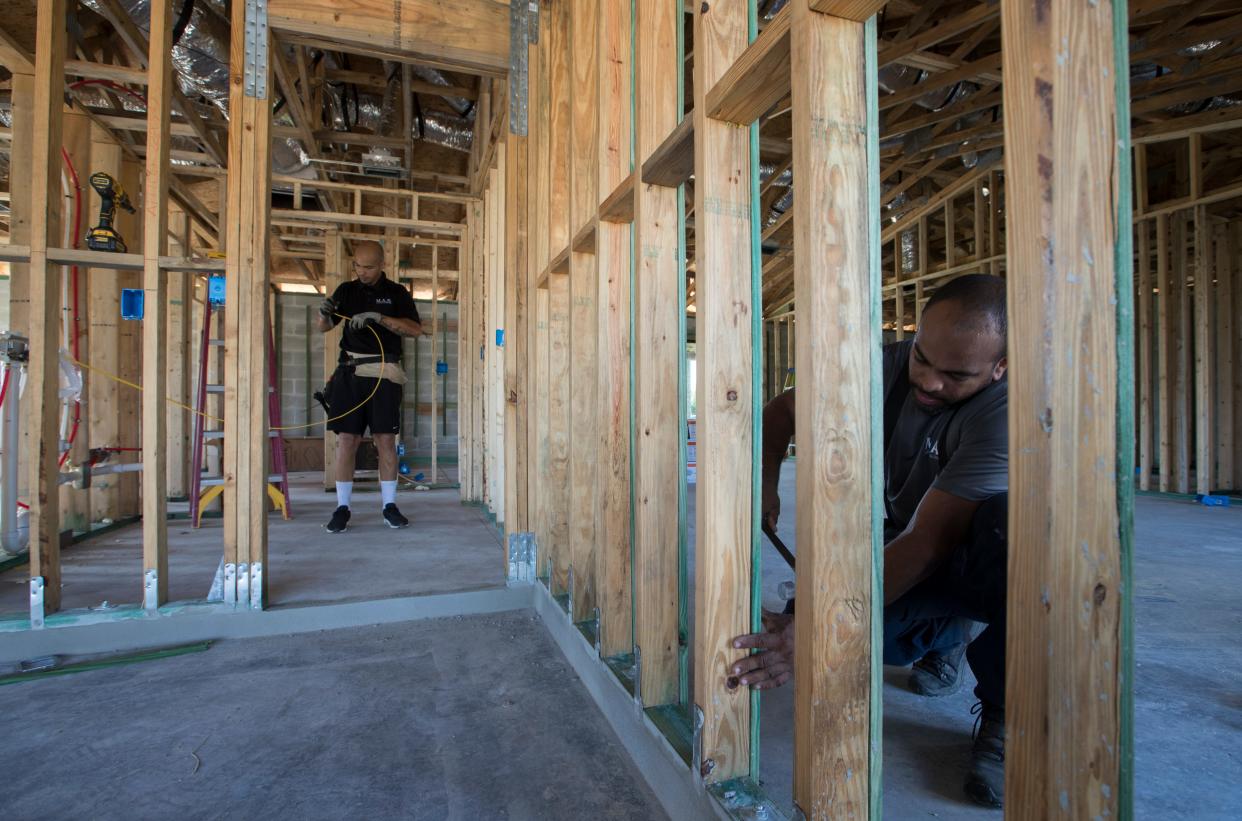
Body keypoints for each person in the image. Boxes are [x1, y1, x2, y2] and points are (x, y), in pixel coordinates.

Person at [731, 274, 1010, 808]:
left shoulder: (1002, 412)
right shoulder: (887, 366)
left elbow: (930, 543)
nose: (928, 382)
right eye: (923, 359)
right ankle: (946, 637)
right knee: (840, 629)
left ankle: (1004, 711)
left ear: (999, 368)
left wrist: (821, 625)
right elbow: (780, 413)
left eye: (955, 375)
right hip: (910, 534)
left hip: (977, 555)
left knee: (1014, 538)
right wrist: (764, 487)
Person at [314, 240, 423, 532]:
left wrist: (379, 317)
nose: (362, 272)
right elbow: (323, 326)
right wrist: (324, 313)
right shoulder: (346, 291)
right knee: (346, 441)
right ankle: (342, 508)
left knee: (385, 440)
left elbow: (415, 329)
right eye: (358, 266)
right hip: (350, 374)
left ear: (383, 264)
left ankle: (389, 506)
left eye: (369, 267)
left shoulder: (396, 293)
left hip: (384, 375)